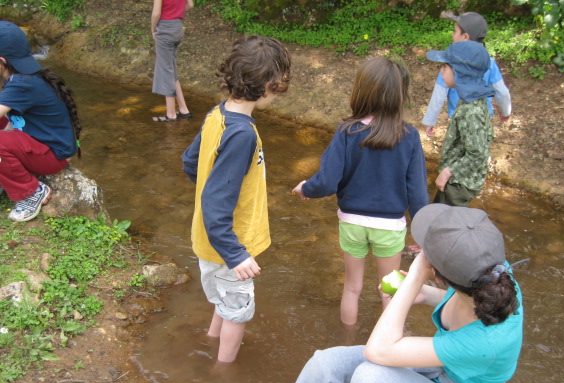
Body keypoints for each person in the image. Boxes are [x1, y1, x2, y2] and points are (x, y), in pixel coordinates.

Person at [248, 204, 524, 383]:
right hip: (442, 366)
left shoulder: (487, 339)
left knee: (371, 380)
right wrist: (425, 294)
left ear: (439, 274)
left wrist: (415, 279)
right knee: (326, 364)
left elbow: (378, 351)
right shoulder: (492, 276)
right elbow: (462, 305)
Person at [292, 56, 428, 326]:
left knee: (352, 289)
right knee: (389, 292)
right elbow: (418, 193)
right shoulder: (409, 136)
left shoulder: (347, 132)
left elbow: (328, 181)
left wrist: (306, 188)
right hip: (390, 226)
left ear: (361, 91)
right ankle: (387, 350)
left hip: (352, 223)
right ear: (400, 96)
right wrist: (424, 235)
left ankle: (346, 342)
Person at [182, 35, 291, 363]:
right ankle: (223, 373)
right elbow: (217, 203)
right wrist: (236, 254)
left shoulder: (217, 115)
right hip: (230, 244)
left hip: (208, 239)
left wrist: (210, 184)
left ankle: (210, 338)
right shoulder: (242, 135)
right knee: (238, 312)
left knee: (225, 301)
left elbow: (190, 162)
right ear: (269, 84)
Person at [0, 21, 81, 222]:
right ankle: (7, 177)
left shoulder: (22, 84)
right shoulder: (23, 77)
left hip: (51, 156)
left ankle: (32, 192)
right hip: (40, 144)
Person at [426, 41, 495, 207]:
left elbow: (478, 153)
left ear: (459, 72)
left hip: (459, 183)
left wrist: (448, 172)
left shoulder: (471, 110)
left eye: (445, 66)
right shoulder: (470, 99)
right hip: (456, 180)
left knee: (447, 227)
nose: (441, 70)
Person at [422, 11, 511, 138]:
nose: (452, 35)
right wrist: (506, 111)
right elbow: (502, 91)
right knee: (480, 145)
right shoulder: (488, 62)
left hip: (458, 119)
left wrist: (430, 121)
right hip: (483, 116)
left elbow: (439, 94)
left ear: (465, 37)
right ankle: (485, 157)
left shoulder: (451, 62)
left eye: (455, 32)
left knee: (461, 147)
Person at [151, 0, 194, 122]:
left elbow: (156, 13)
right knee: (171, 70)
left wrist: (153, 29)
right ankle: (184, 109)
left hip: (164, 29)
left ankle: (171, 114)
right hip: (177, 27)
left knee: (166, 71)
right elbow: (190, 5)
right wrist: (176, 14)